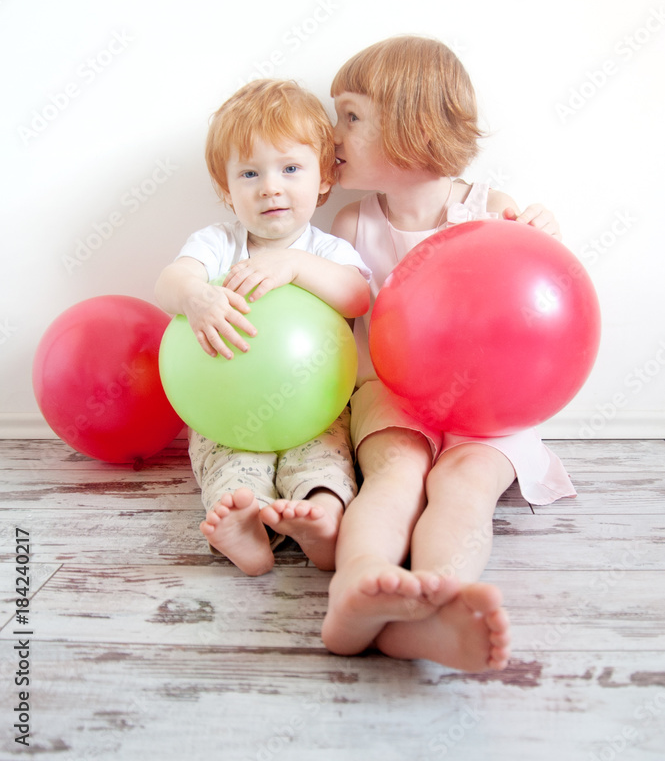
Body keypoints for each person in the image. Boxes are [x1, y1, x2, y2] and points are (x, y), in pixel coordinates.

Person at [321, 35, 576, 672]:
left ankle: (436, 605)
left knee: (465, 484)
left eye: (350, 116)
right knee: (396, 475)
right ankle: (358, 586)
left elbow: (532, 302)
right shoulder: (353, 226)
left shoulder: (490, 212)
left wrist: (543, 236)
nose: (332, 134)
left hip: (492, 405)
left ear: (412, 124)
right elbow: (344, 324)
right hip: (393, 393)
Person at [155, 79, 370, 577]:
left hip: (317, 407)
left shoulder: (325, 250)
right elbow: (169, 282)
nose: (270, 187)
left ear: (323, 177)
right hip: (225, 410)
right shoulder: (217, 244)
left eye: (290, 169)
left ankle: (323, 519)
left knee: (325, 460)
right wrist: (195, 296)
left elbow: (357, 296)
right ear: (226, 190)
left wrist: (294, 264)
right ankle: (245, 525)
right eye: (250, 173)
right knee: (227, 465)